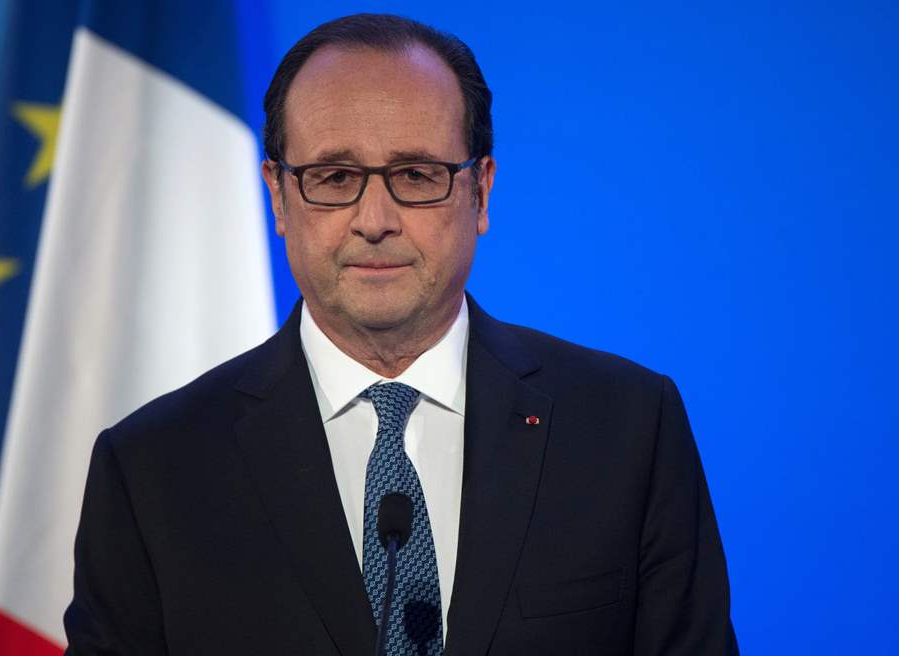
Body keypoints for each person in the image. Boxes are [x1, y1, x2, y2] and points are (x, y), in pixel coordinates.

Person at [64, 13, 738, 655]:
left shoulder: (626, 429)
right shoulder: (154, 470)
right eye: (335, 177)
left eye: (416, 175)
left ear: (481, 192)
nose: (375, 219)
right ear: (278, 196)